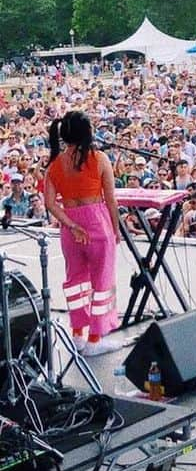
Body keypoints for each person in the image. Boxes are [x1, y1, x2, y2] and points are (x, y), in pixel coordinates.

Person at [43, 110, 123, 356]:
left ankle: (78, 334)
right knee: (102, 281)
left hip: (71, 228)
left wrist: (71, 224)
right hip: (97, 222)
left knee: (76, 280)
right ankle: (95, 338)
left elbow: (49, 203)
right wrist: (116, 228)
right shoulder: (99, 159)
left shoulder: (54, 165)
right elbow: (111, 200)